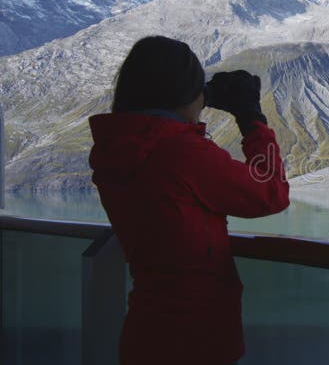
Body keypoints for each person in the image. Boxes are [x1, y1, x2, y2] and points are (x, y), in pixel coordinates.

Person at [88, 35, 290, 364]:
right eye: (199, 92)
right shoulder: (180, 152)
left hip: (145, 330)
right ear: (183, 93)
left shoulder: (116, 150)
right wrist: (252, 119)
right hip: (196, 338)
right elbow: (271, 192)